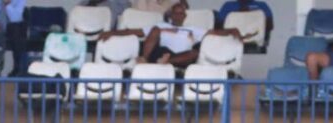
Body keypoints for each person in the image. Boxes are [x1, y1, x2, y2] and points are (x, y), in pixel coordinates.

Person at [102, 2, 246, 69]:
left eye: (181, 13)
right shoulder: (161, 26)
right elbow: (132, 31)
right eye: (176, 13)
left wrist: (233, 30)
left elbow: (215, 33)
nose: (179, 15)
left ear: (185, 16)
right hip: (161, 53)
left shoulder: (193, 29)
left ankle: (167, 62)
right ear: (171, 15)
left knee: (196, 52)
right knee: (155, 30)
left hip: (182, 57)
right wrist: (112, 32)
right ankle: (145, 60)